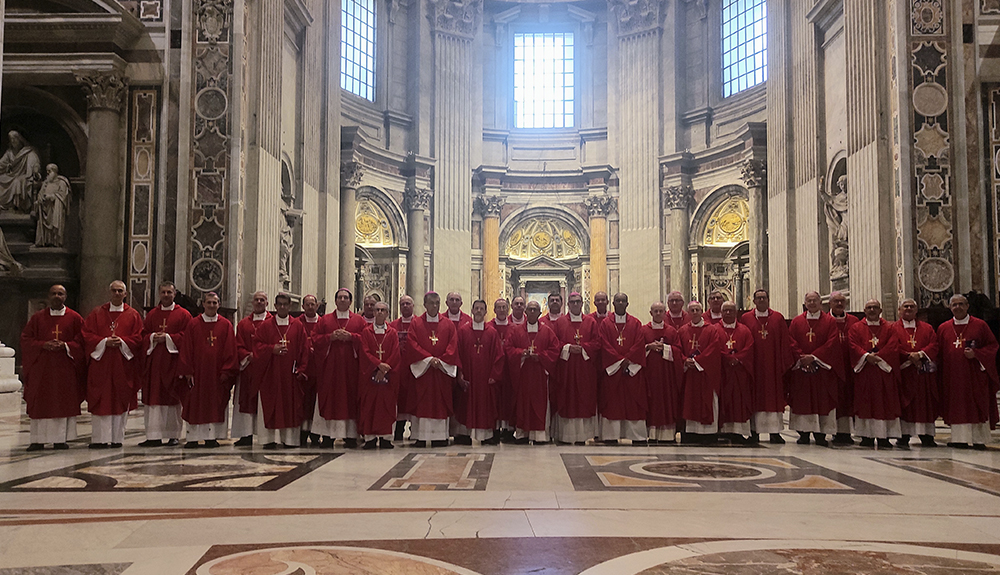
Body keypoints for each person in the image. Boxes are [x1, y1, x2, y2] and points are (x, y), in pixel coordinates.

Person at [20, 284, 85, 450]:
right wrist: (43, 345)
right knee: (40, 401)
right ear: (49, 296)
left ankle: (59, 439)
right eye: (54, 293)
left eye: (60, 294)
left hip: (65, 369)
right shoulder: (37, 318)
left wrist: (66, 345)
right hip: (42, 369)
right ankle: (37, 440)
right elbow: (26, 340)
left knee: (61, 401)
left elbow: (82, 342)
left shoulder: (75, 318)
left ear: (65, 297)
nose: (57, 296)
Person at [82, 280, 143, 448]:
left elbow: (138, 338)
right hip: (101, 364)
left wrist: (122, 342)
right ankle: (99, 439)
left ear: (125, 294)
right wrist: (104, 342)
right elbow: (86, 335)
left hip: (122, 365)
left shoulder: (133, 315)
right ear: (109, 293)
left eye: (120, 291)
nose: (117, 294)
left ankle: (117, 439)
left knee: (119, 399)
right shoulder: (96, 313)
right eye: (114, 291)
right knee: (101, 399)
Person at [936, 294, 999, 449]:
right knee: (957, 406)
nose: (958, 307)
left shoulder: (980, 325)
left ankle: (978, 439)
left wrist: (977, 354)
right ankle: (959, 439)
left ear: (967, 306)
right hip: (953, 376)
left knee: (976, 404)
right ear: (950, 307)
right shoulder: (943, 328)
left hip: (974, 375)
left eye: (961, 304)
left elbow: (992, 347)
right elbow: (939, 354)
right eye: (954, 305)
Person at [178, 291, 238, 448]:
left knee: (214, 404)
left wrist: (227, 371)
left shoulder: (225, 325)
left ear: (219, 305)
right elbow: (186, 348)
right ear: (203, 304)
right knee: (195, 404)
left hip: (216, 374)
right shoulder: (193, 324)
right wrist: (188, 370)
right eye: (209, 302)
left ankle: (212, 437)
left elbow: (230, 349)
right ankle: (193, 438)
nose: (212, 305)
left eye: (215, 302)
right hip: (198, 373)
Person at [252, 293, 310, 449]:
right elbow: (257, 347)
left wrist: (302, 369)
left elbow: (305, 349)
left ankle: (290, 439)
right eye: (280, 304)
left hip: (290, 376)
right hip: (271, 375)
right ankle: (268, 439)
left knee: (290, 407)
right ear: (275, 306)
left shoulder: (297, 326)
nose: (283, 307)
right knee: (271, 404)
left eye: (286, 304)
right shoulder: (266, 326)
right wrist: (272, 349)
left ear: (290, 306)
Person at [787, 291, 844, 446]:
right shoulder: (797, 322)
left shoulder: (829, 321)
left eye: (815, 300)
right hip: (802, 370)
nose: (812, 303)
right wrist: (802, 358)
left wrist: (814, 357)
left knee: (822, 400)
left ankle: (821, 435)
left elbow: (832, 342)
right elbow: (791, 342)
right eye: (809, 301)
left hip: (822, 370)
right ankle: (803, 433)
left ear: (821, 303)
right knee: (802, 401)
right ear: (805, 303)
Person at [139, 281, 192, 447]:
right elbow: (143, 335)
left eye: (169, 292)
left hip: (173, 363)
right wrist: (152, 337)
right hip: (154, 363)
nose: (166, 295)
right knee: (154, 399)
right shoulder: (152, 315)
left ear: (174, 294)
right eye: (163, 292)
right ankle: (153, 436)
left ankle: (173, 435)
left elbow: (188, 338)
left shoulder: (184, 315)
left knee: (172, 398)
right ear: (159, 294)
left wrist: (168, 338)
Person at [312, 288, 367, 448]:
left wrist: (352, 337)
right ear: (335, 301)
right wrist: (330, 337)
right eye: (340, 297)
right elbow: (314, 339)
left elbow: (366, 340)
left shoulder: (358, 321)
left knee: (349, 399)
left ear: (350, 301)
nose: (342, 300)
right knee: (330, 399)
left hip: (351, 369)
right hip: (330, 370)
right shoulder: (325, 320)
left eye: (345, 298)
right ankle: (328, 435)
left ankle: (350, 436)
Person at [740, 289, 794, 444]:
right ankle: (754, 431)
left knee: (773, 398)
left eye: (764, 298)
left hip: (773, 366)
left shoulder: (777, 318)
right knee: (754, 397)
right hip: (754, 365)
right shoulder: (746, 318)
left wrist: (784, 362)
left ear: (768, 300)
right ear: (754, 301)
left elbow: (785, 342)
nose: (761, 300)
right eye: (758, 298)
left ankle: (774, 432)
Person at [406, 291, 460, 447]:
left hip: (441, 372)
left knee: (440, 403)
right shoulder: (416, 324)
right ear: (425, 304)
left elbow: (453, 345)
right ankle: (420, 436)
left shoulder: (448, 324)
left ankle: (441, 436)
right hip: (424, 372)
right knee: (422, 402)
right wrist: (429, 360)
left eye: (437, 303)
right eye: (431, 303)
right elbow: (412, 344)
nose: (434, 306)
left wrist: (441, 361)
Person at [848, 299, 902, 448]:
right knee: (865, 403)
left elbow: (893, 345)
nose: (872, 310)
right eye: (869, 308)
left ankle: (884, 437)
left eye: (875, 307)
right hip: (864, 371)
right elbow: (852, 345)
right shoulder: (856, 328)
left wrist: (878, 358)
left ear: (880, 310)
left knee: (884, 404)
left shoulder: (890, 328)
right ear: (864, 311)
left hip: (883, 372)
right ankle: (866, 436)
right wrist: (866, 356)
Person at [505, 300, 561, 444]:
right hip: (523, 374)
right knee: (523, 403)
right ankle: (522, 434)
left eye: (535, 310)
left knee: (539, 403)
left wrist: (541, 357)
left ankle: (539, 435)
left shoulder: (547, 331)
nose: (532, 312)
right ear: (526, 312)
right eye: (529, 309)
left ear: (540, 313)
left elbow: (555, 349)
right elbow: (509, 348)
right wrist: (521, 353)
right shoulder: (517, 331)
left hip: (540, 374)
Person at [597, 292, 647, 444]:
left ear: (627, 304)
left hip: (631, 370)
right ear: (613, 303)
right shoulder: (605, 324)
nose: (620, 303)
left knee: (634, 404)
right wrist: (619, 361)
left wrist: (628, 360)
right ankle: (611, 436)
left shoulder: (635, 323)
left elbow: (639, 343)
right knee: (613, 404)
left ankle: (637, 436)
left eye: (623, 301)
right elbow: (603, 344)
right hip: (613, 371)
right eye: (617, 301)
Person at [889, 298, 940, 448]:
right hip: (905, 372)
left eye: (912, 307)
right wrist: (909, 356)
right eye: (905, 306)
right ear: (899, 310)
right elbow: (891, 345)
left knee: (925, 404)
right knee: (906, 405)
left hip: (922, 373)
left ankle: (927, 436)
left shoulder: (927, 328)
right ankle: (904, 436)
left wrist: (921, 354)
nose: (909, 309)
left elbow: (934, 344)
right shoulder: (893, 328)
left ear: (916, 310)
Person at [552, 292, 601, 444]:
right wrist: (567, 347)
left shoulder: (591, 322)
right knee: (567, 399)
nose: (575, 304)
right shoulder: (560, 322)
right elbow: (554, 343)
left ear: (582, 304)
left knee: (584, 399)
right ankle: (565, 436)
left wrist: (583, 348)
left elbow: (597, 343)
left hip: (585, 370)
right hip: (566, 369)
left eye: (577, 302)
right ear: (568, 304)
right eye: (572, 302)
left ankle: (583, 436)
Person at [454, 299, 504, 444]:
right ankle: (464, 435)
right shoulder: (463, 331)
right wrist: (460, 373)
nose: (479, 311)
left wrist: (495, 375)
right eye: (476, 308)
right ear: (472, 310)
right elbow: (457, 353)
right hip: (468, 375)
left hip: (485, 378)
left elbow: (499, 356)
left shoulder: (492, 333)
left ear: (486, 312)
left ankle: (486, 436)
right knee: (465, 404)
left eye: (482, 308)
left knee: (485, 406)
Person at [678, 301, 724, 444]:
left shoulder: (711, 330)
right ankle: (691, 432)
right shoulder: (683, 330)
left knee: (707, 401)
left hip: (706, 374)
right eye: (692, 310)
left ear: (702, 311)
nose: (695, 312)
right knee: (689, 401)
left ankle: (709, 433)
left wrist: (697, 361)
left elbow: (714, 349)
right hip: (690, 374)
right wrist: (685, 360)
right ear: (688, 313)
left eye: (697, 309)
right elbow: (678, 349)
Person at [357, 301, 401, 449]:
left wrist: (384, 370)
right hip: (370, 376)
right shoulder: (366, 332)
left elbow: (396, 353)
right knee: (370, 405)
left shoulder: (392, 332)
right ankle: (370, 438)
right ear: (373, 313)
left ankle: (386, 438)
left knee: (386, 405)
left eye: (383, 310)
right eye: (377, 310)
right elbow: (364, 352)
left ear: (387, 313)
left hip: (387, 377)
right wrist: (378, 365)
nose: (380, 312)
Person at [640, 302, 683, 443]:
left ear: (665, 313)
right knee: (651, 401)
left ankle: (667, 435)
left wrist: (664, 348)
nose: (658, 314)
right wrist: (648, 347)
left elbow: (678, 351)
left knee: (666, 402)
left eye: (661, 311)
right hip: (650, 374)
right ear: (650, 313)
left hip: (666, 375)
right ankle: (651, 434)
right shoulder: (643, 330)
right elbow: (637, 349)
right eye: (655, 311)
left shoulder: (671, 331)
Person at [233, 291, 270, 446]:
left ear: (267, 303)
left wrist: (261, 356)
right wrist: (248, 355)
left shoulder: (273, 322)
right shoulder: (243, 324)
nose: (259, 302)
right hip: (248, 367)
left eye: (262, 300)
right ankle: (246, 435)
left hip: (266, 370)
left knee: (265, 402)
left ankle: (266, 435)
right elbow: (237, 345)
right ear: (253, 303)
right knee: (247, 400)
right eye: (256, 300)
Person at [718, 301, 754, 443]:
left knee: (739, 401)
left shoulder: (744, 330)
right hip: (723, 372)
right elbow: (713, 347)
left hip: (739, 372)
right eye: (725, 311)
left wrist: (737, 358)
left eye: (731, 310)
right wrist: (727, 358)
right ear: (721, 313)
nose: (728, 313)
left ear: (736, 313)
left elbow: (749, 347)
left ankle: (738, 431)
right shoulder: (715, 329)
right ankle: (723, 430)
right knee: (724, 400)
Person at [829, 291, 860, 445]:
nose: (839, 304)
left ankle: (846, 432)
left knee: (848, 400)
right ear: (830, 303)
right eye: (836, 301)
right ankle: (832, 430)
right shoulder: (825, 320)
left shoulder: (854, 321)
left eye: (842, 301)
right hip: (831, 368)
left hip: (850, 366)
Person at [297, 294, 322, 446]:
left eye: (313, 304)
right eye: (307, 304)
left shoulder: (322, 322)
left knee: (316, 402)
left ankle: (315, 433)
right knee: (303, 402)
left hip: (318, 369)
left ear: (317, 306)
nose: (310, 307)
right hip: (303, 368)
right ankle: (302, 432)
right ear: (303, 306)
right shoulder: (297, 323)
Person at [390, 295, 416, 441]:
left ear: (413, 306)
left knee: (413, 399)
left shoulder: (419, 324)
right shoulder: (393, 325)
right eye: (403, 304)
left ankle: (414, 430)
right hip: (398, 368)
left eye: (408, 303)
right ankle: (398, 431)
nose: (405, 306)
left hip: (414, 368)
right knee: (399, 400)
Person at [490, 297, 516, 442]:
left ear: (508, 310)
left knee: (508, 399)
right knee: (494, 399)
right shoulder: (488, 327)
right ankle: (494, 428)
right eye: (498, 307)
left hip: (509, 369)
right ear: (494, 310)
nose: (501, 310)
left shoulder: (514, 328)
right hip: (493, 368)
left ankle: (507, 430)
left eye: (504, 307)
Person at [0, 130, 41, 212]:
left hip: (23, 176)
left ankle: (16, 207)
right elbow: (1, 164)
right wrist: (7, 166)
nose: (13, 141)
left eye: (14, 138)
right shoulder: (9, 152)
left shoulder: (28, 152)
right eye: (11, 139)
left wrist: (36, 171)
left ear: (20, 139)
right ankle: (4, 206)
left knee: (17, 182)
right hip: (11, 175)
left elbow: (35, 164)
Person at [33, 163, 71, 247]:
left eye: (49, 171)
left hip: (55, 209)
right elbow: (40, 194)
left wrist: (52, 197)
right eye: (47, 171)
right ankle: (44, 241)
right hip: (45, 209)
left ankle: (54, 241)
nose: (47, 173)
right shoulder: (45, 183)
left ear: (54, 171)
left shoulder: (62, 183)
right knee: (43, 224)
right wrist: (39, 200)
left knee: (54, 224)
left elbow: (63, 196)